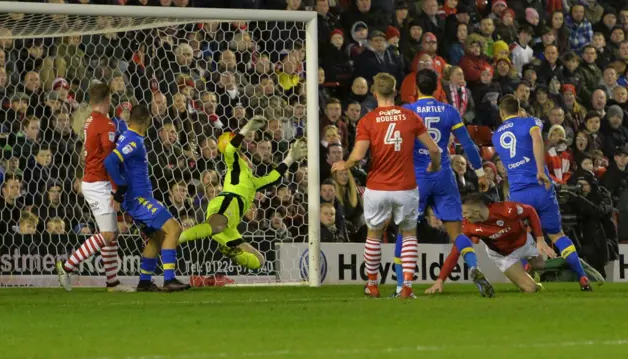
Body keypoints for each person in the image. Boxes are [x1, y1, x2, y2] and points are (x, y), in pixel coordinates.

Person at [331, 72, 441, 299]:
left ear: (374, 92)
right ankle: (407, 286)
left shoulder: (368, 120)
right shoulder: (410, 117)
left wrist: (344, 164)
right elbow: (434, 149)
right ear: (396, 92)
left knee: (373, 234)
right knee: (409, 234)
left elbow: (358, 155)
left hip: (378, 187)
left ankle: (372, 284)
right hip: (406, 187)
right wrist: (435, 166)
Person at [397, 68, 494, 298]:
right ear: (438, 87)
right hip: (443, 175)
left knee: (406, 231)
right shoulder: (448, 111)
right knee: (456, 232)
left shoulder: (407, 111)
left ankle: (403, 285)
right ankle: (474, 268)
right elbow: (468, 144)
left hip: (417, 176)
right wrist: (480, 172)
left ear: (416, 88)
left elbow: (398, 145)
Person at [178, 116, 308, 271]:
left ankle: (231, 252)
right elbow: (231, 149)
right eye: (244, 156)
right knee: (215, 226)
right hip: (227, 203)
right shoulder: (235, 166)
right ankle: (175, 239)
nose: (248, 159)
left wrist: (290, 158)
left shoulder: (253, 182)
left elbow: (273, 177)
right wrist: (247, 129)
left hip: (232, 223)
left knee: (259, 260)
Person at [492, 95, 592, 291]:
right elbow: (538, 140)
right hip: (540, 188)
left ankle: (527, 276)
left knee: (519, 237)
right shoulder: (530, 122)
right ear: (519, 108)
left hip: (518, 193)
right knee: (556, 235)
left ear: (502, 113)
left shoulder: (496, 136)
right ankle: (582, 278)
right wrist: (539, 170)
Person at [55, 83, 133, 292]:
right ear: (108, 100)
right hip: (99, 183)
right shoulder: (106, 124)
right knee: (107, 235)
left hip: (93, 180)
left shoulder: (89, 121)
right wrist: (117, 190)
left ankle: (112, 283)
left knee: (111, 232)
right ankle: (66, 266)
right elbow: (110, 161)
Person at [103, 105, 190, 292]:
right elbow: (110, 161)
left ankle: (144, 282)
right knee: (174, 229)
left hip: (138, 198)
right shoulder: (134, 141)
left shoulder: (125, 136)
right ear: (146, 122)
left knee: (157, 237)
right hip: (138, 199)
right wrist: (121, 187)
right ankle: (169, 280)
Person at [426, 193, 557, 294]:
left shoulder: (507, 210)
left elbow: (530, 211)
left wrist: (540, 239)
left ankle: (531, 268)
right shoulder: (468, 227)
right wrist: (440, 280)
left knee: (540, 265)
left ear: (476, 212)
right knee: (531, 289)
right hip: (503, 255)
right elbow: (455, 252)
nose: (463, 217)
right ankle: (527, 278)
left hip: (524, 242)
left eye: (465, 213)